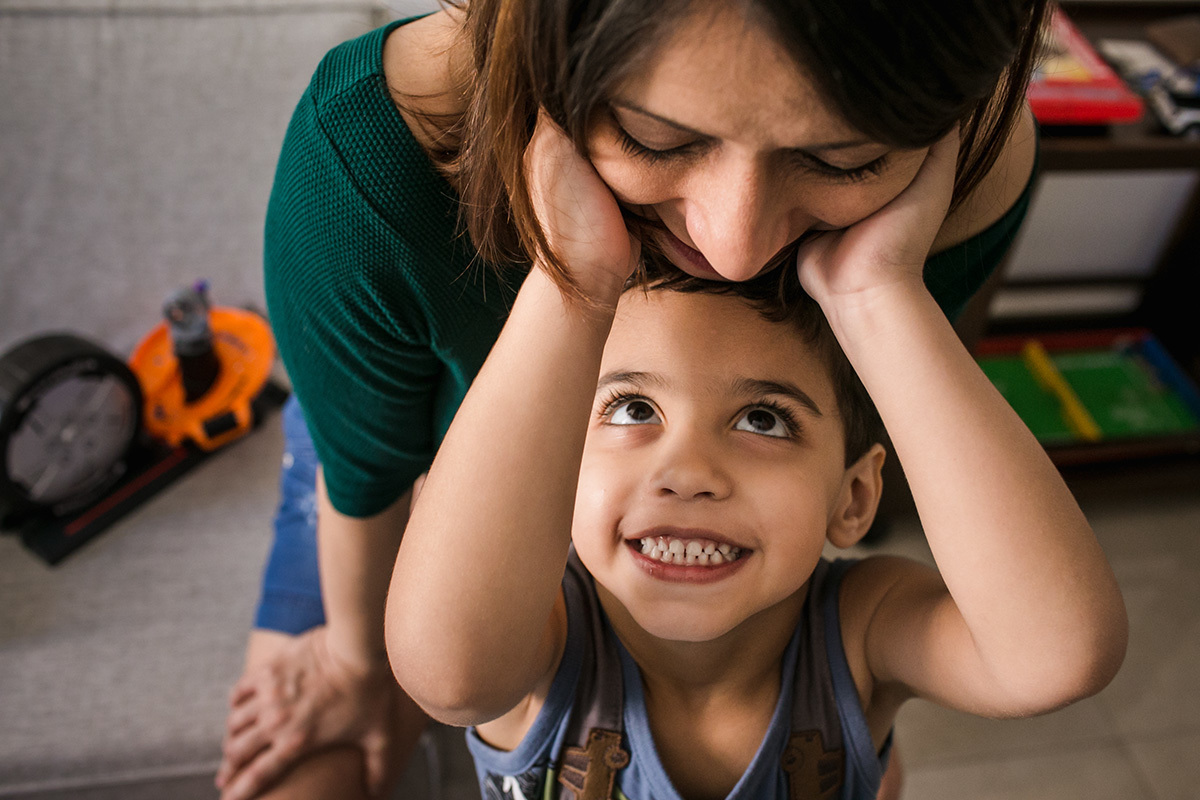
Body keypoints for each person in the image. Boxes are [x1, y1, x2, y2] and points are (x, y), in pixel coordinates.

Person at [216, 0, 1051, 797]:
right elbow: (368, 484)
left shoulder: (962, 172)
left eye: (844, 161)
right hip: (404, 469)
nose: (734, 246)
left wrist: (880, 294)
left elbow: (1047, 646)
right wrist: (358, 665)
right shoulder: (364, 163)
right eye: (655, 139)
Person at [384, 167, 1128, 797]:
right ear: (555, 468)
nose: (687, 473)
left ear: (855, 498)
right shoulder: (542, 636)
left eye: (764, 421)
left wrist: (878, 295)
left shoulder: (861, 632)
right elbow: (445, 675)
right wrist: (570, 281)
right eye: (634, 407)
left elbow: (1058, 655)